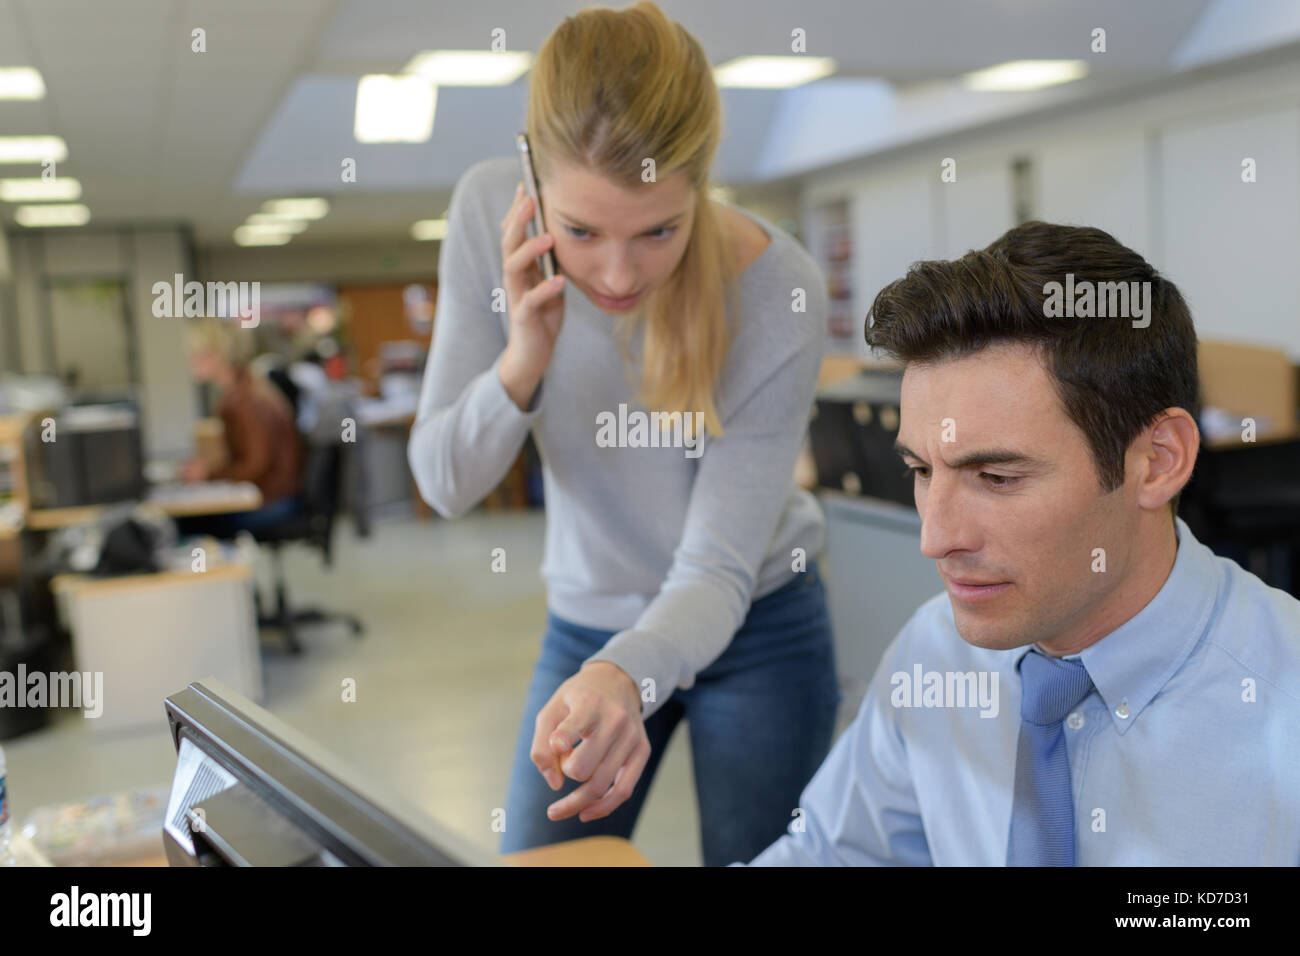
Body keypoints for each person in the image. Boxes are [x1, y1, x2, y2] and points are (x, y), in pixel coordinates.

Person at [407, 1, 837, 865]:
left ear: (701, 181)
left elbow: (715, 569)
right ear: (531, 174)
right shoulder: (484, 209)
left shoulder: (776, 291)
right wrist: (521, 364)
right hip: (588, 618)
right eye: (581, 231)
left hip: (757, 621)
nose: (615, 273)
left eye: (658, 233)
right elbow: (444, 484)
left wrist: (626, 674)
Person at [743, 221, 1300, 866]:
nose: (936, 539)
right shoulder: (935, 655)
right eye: (922, 471)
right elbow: (830, 855)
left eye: (998, 477)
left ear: (1157, 461)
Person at [176, 320, 305, 538]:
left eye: (198, 355)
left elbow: (256, 465)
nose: (191, 362)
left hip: (274, 501)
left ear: (218, 356)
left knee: (185, 524)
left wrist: (209, 474)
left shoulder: (244, 401)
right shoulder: (249, 388)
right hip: (280, 495)